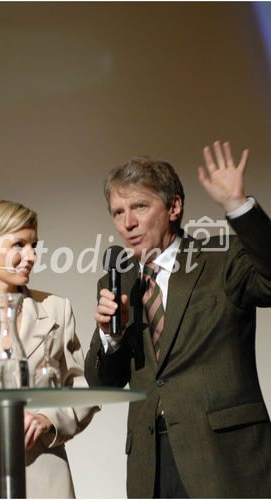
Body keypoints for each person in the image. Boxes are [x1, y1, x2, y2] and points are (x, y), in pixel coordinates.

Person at [85, 141, 271, 498]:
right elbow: (104, 383)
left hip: (224, 457)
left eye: (140, 206)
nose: (128, 223)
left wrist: (237, 205)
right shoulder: (117, 281)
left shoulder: (222, 259)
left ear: (174, 207)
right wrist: (112, 336)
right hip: (151, 462)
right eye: (118, 211)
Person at [0, 199, 98, 499]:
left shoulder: (56, 310)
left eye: (34, 245)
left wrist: (49, 419)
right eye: (19, 245)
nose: (31, 257)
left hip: (44, 479)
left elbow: (84, 388)